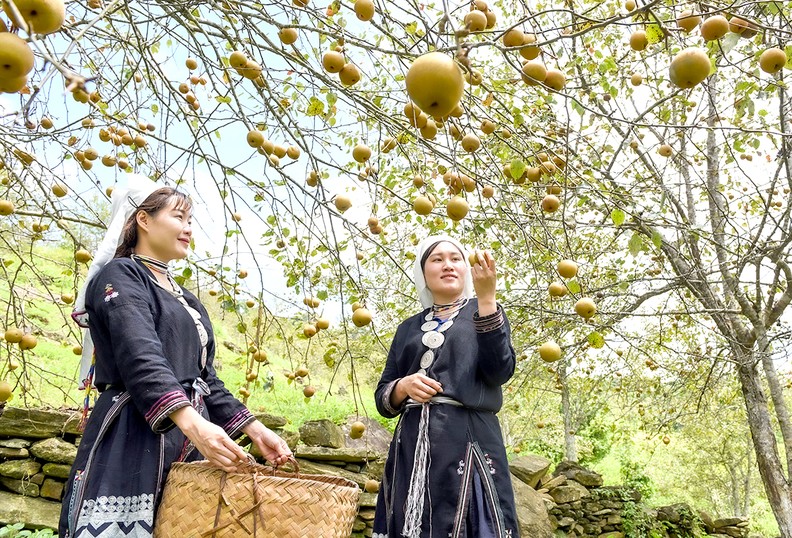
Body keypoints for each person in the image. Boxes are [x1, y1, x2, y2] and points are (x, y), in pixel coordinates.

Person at [59, 177, 292, 538]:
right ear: (143, 220)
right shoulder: (120, 275)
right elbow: (141, 356)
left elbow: (205, 379)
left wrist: (254, 429)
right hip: (133, 434)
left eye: (190, 220)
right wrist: (194, 425)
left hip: (187, 441)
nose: (188, 228)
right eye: (179, 217)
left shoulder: (187, 299)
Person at [372, 235, 520, 538]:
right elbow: (382, 395)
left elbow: (499, 372)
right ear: (423, 273)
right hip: (412, 445)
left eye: (455, 258)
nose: (447, 265)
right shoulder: (407, 328)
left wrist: (487, 298)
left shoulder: (485, 311)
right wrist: (403, 386)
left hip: (467, 440)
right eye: (437, 259)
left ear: (466, 269)